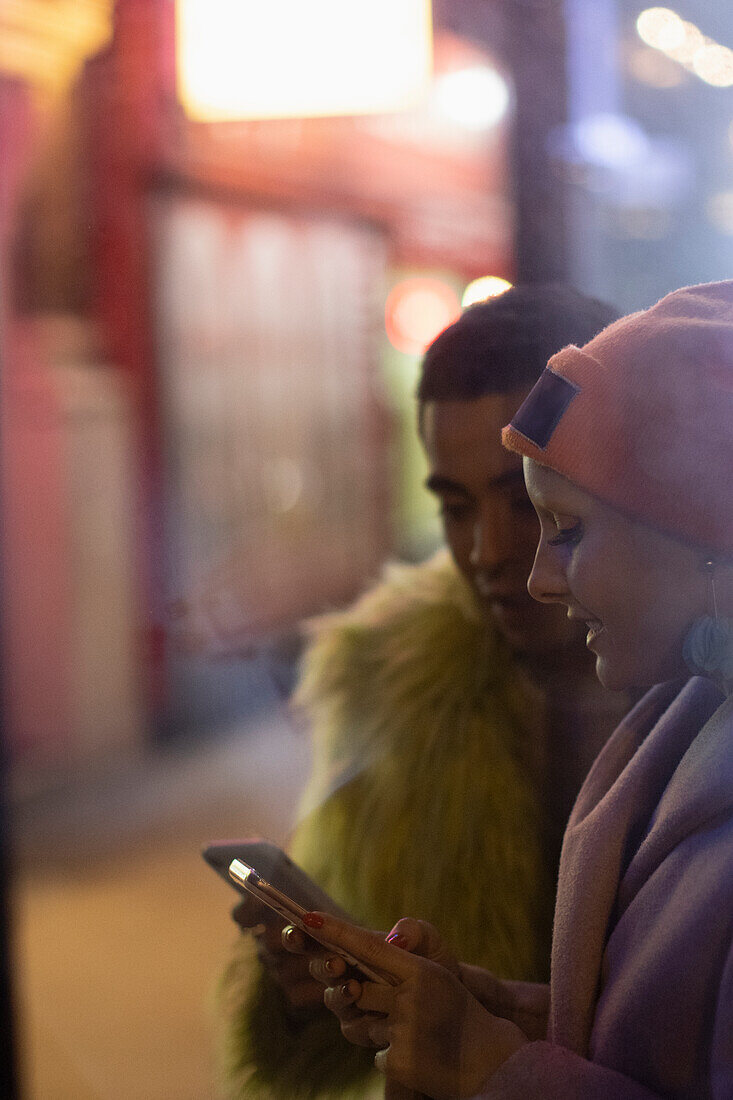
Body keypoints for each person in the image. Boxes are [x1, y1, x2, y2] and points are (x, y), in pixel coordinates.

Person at [299, 279, 733, 1098]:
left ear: (695, 525)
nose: (523, 569)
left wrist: (491, 1066)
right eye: (456, 510)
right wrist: (517, 1019)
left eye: (563, 528)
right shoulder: (686, 710)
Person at [218, 285, 627, 1099]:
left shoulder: (701, 702)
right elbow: (355, 1036)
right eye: (453, 507)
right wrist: (315, 995)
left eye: (524, 500)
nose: (485, 551)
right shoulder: (389, 685)